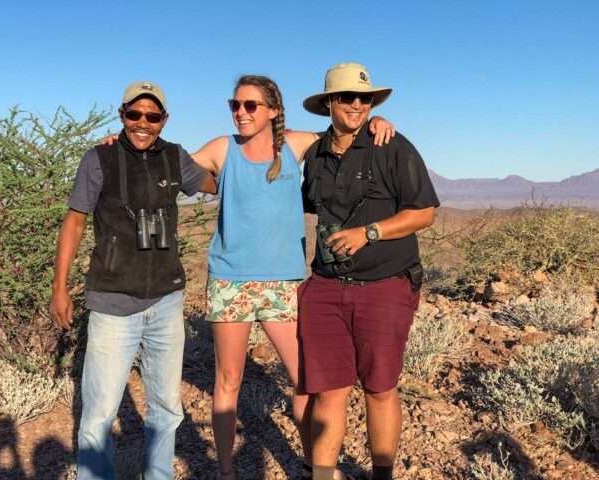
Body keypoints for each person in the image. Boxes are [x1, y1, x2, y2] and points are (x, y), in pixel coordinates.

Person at [101, 76, 394, 479]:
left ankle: (313, 465)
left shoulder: (297, 144)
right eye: (235, 105)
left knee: (306, 381)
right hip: (230, 281)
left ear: (273, 110)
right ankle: (225, 472)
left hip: (284, 282)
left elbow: (345, 129)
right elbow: (166, 161)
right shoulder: (223, 149)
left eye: (251, 105)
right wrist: (121, 143)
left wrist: (378, 123)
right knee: (228, 381)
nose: (241, 112)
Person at [50, 81, 216, 480]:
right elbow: (74, 220)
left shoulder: (175, 157)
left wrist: (249, 156)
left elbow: (217, 182)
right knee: (100, 412)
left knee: (166, 408)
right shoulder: (98, 158)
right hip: (112, 301)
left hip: (166, 300)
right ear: (121, 114)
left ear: (164, 119)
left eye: (152, 116)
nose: (143, 123)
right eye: (134, 114)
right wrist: (59, 287)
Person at [298, 63, 440, 480]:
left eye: (365, 99)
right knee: (329, 392)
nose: (358, 105)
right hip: (325, 286)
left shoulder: (392, 146)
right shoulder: (315, 155)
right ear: (329, 103)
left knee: (379, 389)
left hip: (384, 285)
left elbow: (425, 213)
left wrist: (369, 232)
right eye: (347, 97)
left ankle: (382, 475)